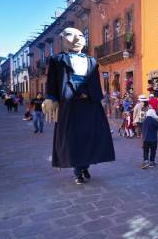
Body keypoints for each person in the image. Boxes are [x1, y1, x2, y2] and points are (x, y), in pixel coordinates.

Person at [44, 27, 115, 185]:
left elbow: (96, 82)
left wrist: (99, 100)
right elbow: (52, 83)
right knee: (73, 140)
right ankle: (78, 171)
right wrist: (50, 97)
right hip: (70, 107)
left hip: (90, 105)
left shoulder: (92, 61)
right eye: (70, 35)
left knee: (92, 138)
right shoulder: (57, 60)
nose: (77, 39)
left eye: (81, 35)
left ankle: (84, 166)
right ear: (62, 40)